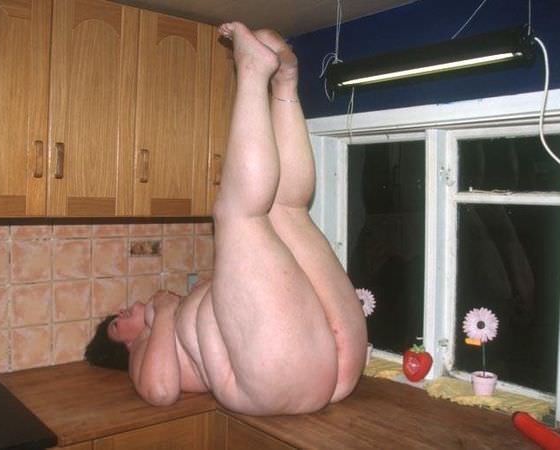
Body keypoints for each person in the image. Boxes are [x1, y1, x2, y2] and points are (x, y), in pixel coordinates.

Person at [92, 22, 368, 416]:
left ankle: (284, 83)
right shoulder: (143, 350)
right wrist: (166, 312)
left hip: (320, 364)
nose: (121, 314)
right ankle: (253, 71)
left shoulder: (168, 330)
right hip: (282, 377)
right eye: (115, 326)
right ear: (124, 346)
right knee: (237, 215)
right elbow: (159, 391)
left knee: (285, 210)